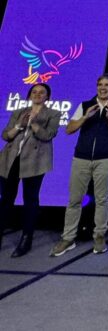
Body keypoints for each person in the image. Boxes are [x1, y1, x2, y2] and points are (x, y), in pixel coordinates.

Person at [50, 74, 108, 257]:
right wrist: (85, 117)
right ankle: (68, 238)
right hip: (81, 158)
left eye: (107, 85)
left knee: (102, 199)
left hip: (105, 158)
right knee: (74, 200)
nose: (103, 88)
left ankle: (99, 236)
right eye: (100, 84)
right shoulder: (86, 105)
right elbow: (69, 129)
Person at [0, 83, 61, 257]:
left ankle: (26, 239)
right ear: (29, 95)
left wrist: (34, 123)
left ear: (47, 96)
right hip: (11, 159)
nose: (37, 94)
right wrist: (19, 125)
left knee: (30, 200)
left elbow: (48, 135)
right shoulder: (19, 112)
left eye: (42, 92)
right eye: (34, 92)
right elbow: (6, 135)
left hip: (35, 162)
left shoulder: (53, 114)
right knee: (6, 199)